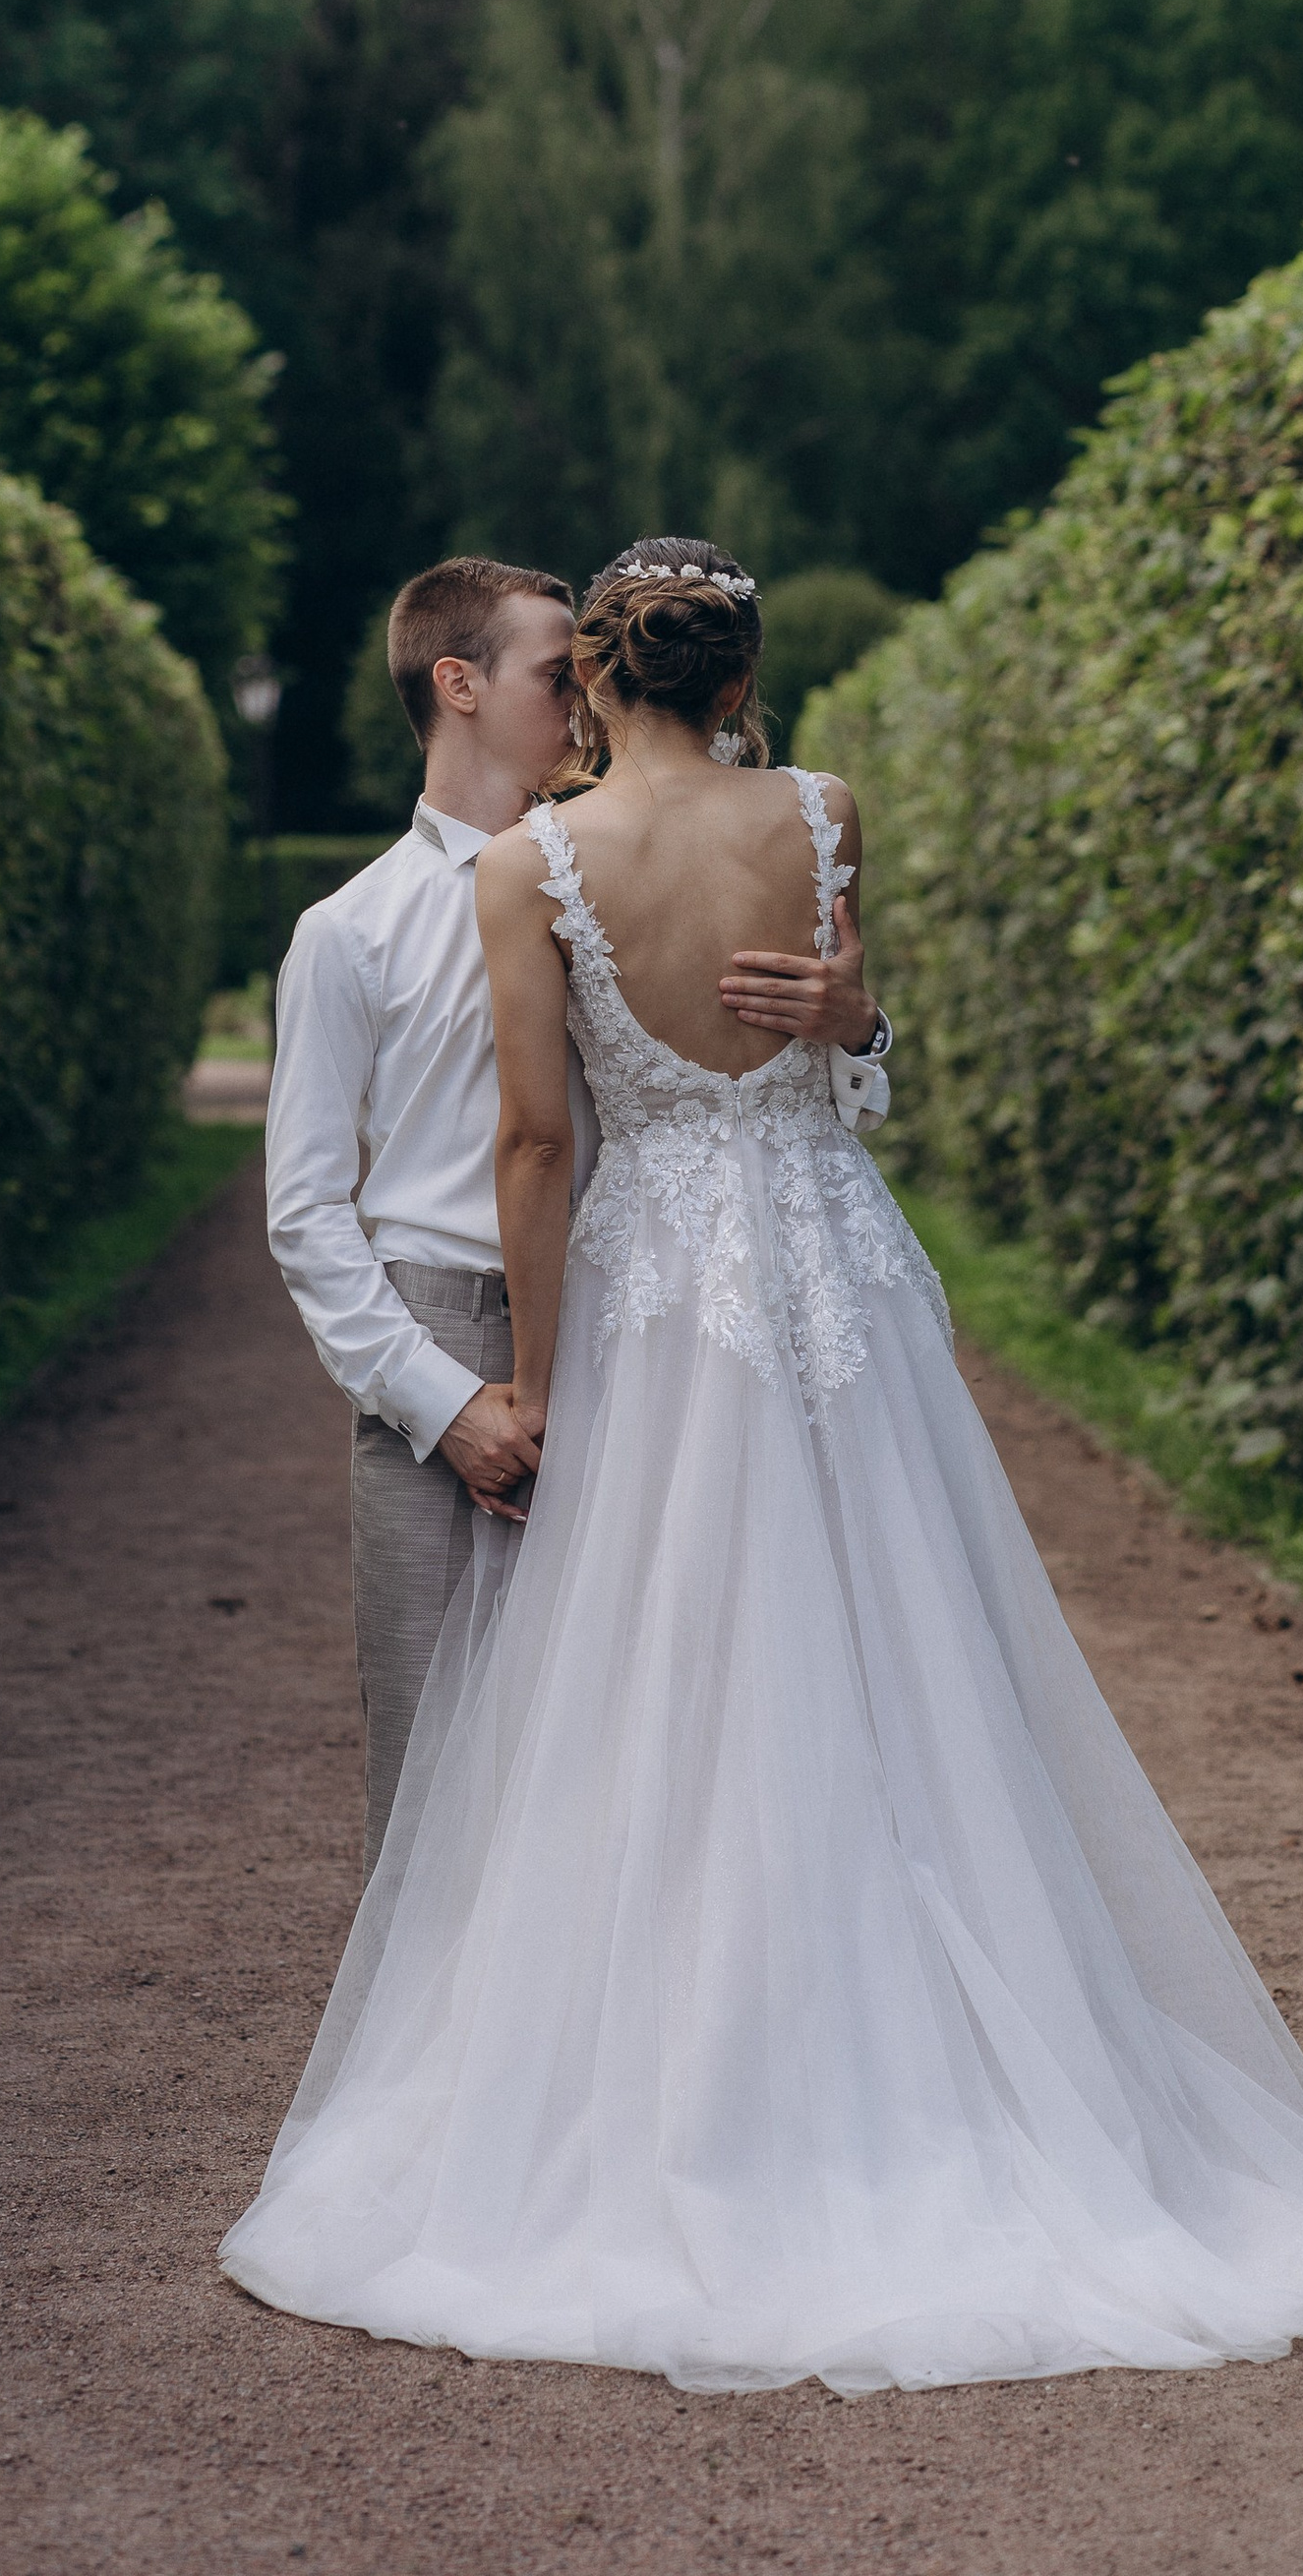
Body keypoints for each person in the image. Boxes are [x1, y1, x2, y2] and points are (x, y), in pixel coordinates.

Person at [223, 536, 1303, 2393]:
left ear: (606, 684)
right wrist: (844, 1032)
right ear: (733, 679)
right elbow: (830, 1079)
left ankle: (636, 2085)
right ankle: (926, 2064)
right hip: (836, 1289)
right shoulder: (821, 810)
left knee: (656, 1682)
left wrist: (547, 1377)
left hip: (659, 1307)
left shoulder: (531, 867)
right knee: (898, 1659)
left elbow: (544, 1152)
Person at [265, 554, 884, 1875]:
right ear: (459, 686)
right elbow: (308, 1213)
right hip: (440, 1334)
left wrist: (861, 1023)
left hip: (634, 1329)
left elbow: (757, 1090)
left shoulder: (618, 862)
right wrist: (444, 1401)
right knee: (433, 1751)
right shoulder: (348, 931)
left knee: (646, 1747)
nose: (594, 694)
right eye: (562, 675)